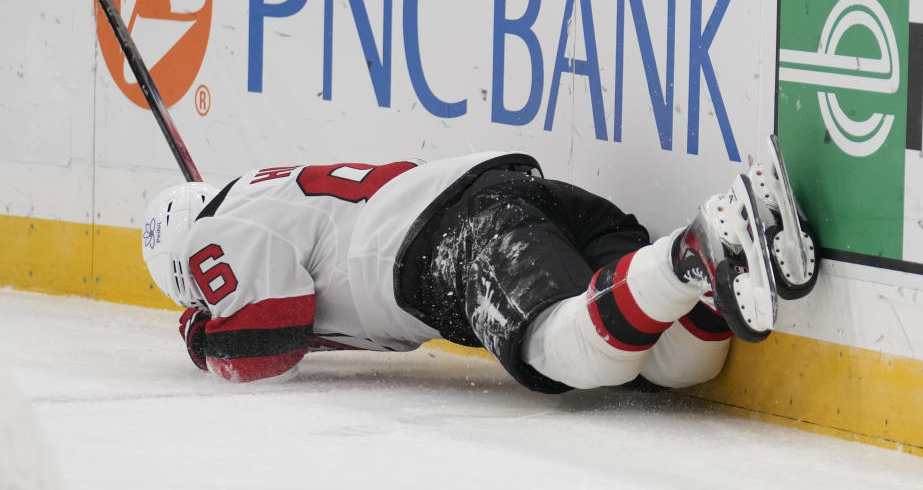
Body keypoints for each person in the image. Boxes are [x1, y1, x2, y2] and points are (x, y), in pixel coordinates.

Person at [141, 148, 817, 393]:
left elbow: (268, 336)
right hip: (506, 198)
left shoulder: (213, 232)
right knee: (670, 366)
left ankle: (689, 251)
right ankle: (714, 260)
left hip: (449, 241)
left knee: (570, 354)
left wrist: (201, 335)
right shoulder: (269, 196)